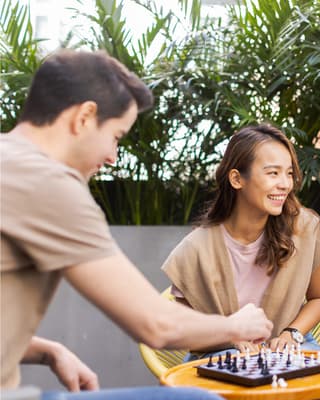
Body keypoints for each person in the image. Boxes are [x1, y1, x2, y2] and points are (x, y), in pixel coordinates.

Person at [0, 49, 273, 400]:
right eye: (116, 136)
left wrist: (46, 350)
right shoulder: (47, 181)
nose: (113, 157)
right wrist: (236, 325)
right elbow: (156, 325)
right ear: (84, 116)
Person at [162, 124, 320, 358]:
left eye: (289, 173)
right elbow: (186, 333)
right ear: (236, 179)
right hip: (221, 351)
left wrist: (291, 333)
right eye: (273, 173)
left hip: (291, 344)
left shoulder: (304, 230)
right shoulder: (195, 250)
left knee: (314, 381)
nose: (285, 184)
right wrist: (229, 338)